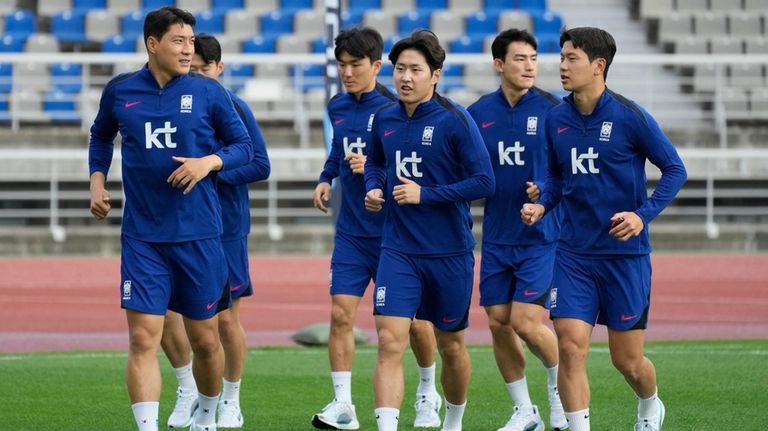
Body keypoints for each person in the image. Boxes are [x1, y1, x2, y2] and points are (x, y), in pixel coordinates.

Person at [88, 7, 253, 431]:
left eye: (191, 42)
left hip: (199, 235)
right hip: (142, 236)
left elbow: (244, 148)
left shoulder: (209, 93)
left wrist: (209, 163)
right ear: (152, 44)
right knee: (143, 337)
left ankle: (206, 416)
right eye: (178, 41)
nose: (187, 49)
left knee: (205, 340)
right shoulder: (121, 90)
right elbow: (101, 134)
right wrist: (96, 181)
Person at [521, 27, 687, 431]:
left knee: (627, 361)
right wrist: (542, 203)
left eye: (571, 58)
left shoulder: (630, 117)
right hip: (573, 254)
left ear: (598, 66)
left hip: (625, 258)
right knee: (570, 346)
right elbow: (558, 179)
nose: (561, 65)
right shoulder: (555, 119)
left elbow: (675, 170)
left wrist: (641, 215)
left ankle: (649, 405)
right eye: (561, 57)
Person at [311, 27, 442, 430]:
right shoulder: (336, 106)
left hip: (393, 235)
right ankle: (343, 405)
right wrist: (325, 176)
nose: (347, 72)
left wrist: (373, 169)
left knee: (416, 325)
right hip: (352, 232)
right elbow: (338, 148)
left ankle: (427, 390)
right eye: (342, 65)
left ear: (377, 65)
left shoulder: (394, 108)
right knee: (339, 314)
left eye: (356, 65)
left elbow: (409, 166)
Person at [364, 29, 495, 431]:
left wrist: (427, 194)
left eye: (415, 70)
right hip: (398, 249)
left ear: (435, 74)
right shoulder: (383, 117)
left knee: (451, 344)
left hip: (449, 252)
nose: (405, 77)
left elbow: (484, 181)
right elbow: (375, 162)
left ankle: (452, 422)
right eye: (399, 68)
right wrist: (373, 186)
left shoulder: (456, 120)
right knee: (389, 341)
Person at [161, 33, 271, 429]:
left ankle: (231, 397)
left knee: (225, 319)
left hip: (225, 227)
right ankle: (187, 387)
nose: (198, 76)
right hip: (177, 224)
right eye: (192, 68)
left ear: (219, 69)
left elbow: (260, 165)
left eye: (205, 69)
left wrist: (211, 169)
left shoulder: (233, 106)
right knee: (163, 312)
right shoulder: (170, 104)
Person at [467, 28, 568, 431]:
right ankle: (525, 411)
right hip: (496, 234)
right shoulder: (477, 114)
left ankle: (562, 390)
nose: (529, 66)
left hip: (541, 235)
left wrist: (543, 192)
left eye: (533, 59)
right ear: (499, 64)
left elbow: (567, 168)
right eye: (519, 59)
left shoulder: (554, 110)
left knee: (527, 322)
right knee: (497, 321)